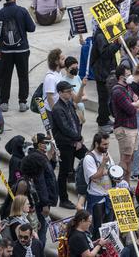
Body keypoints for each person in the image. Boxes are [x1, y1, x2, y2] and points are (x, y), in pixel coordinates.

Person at [0, 0, 36, 112]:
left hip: (6, 50)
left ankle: (4, 102)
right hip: (22, 49)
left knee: (5, 76)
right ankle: (22, 102)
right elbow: (32, 28)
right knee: (23, 76)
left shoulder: (0, 13)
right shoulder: (22, 11)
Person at [51, 81, 86, 209]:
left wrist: (79, 138)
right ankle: (63, 199)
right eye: (68, 91)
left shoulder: (70, 104)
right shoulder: (57, 109)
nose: (71, 93)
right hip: (65, 144)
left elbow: (76, 122)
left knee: (88, 156)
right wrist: (77, 138)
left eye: (71, 90)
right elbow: (65, 128)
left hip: (75, 141)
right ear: (60, 93)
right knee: (64, 172)